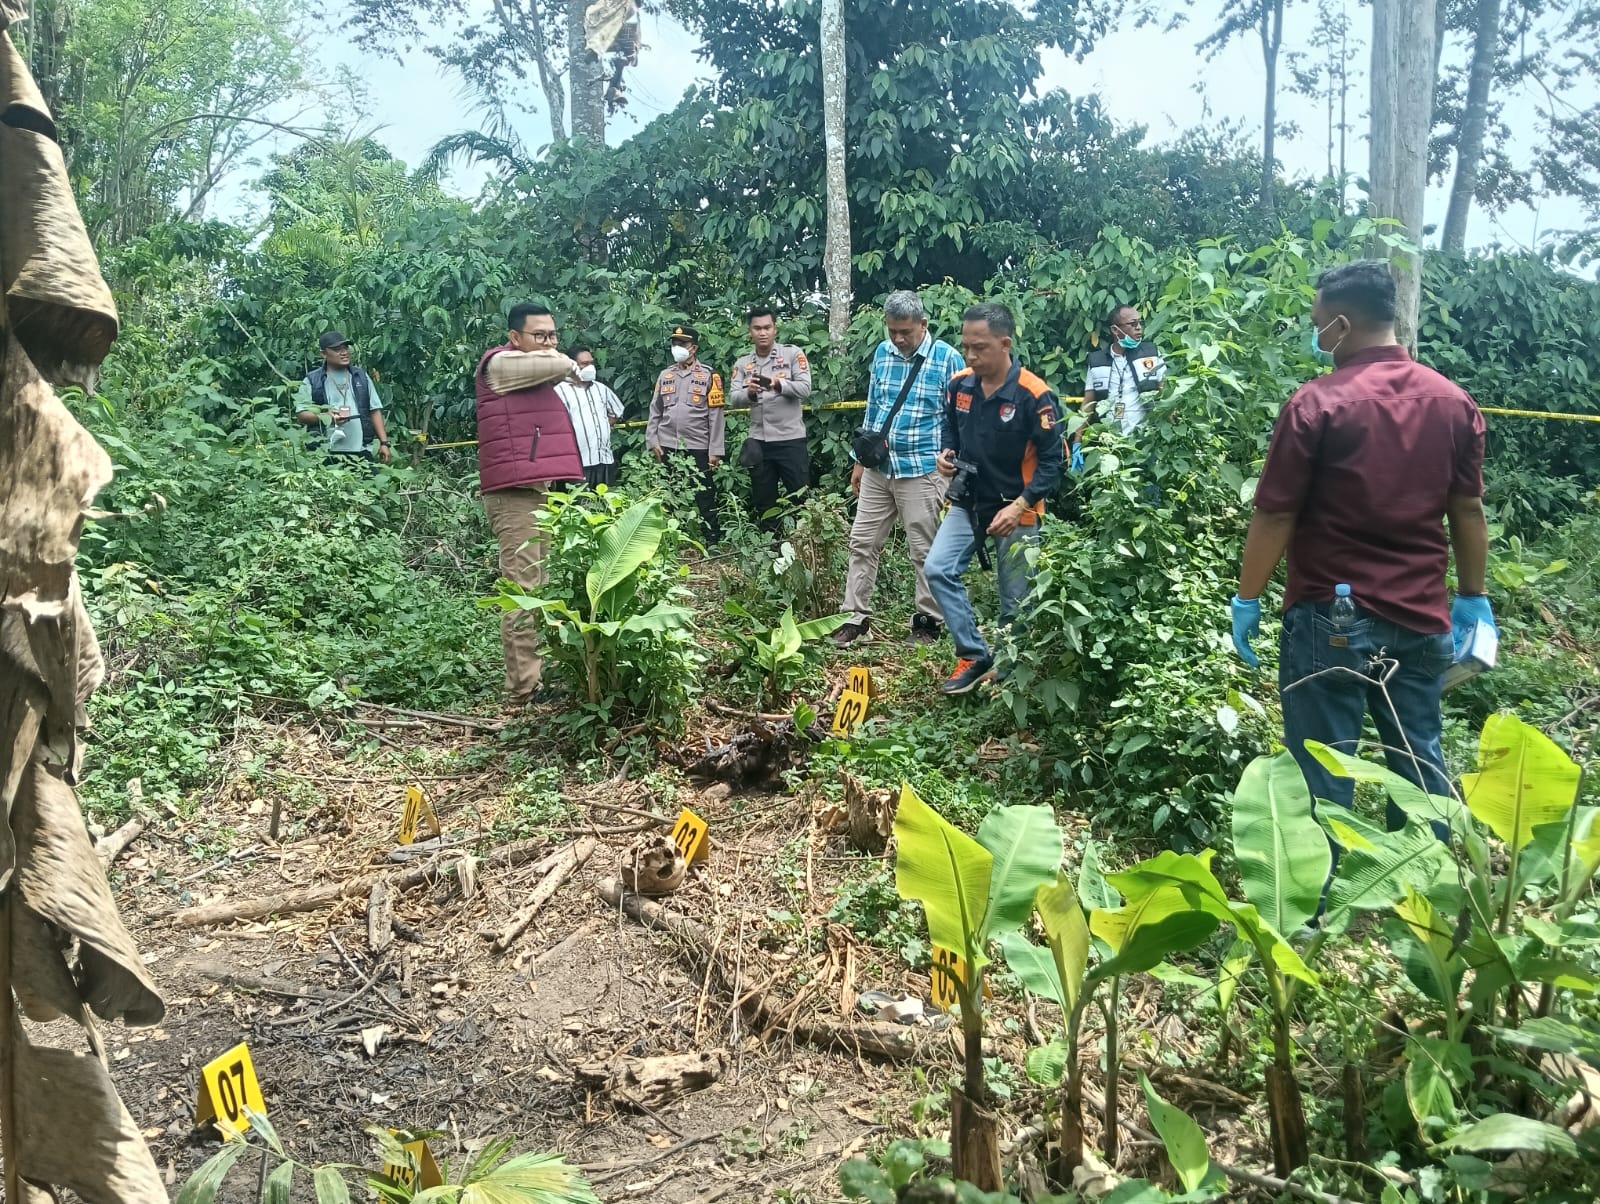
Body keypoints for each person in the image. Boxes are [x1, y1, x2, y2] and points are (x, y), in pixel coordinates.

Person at [1230, 260, 1494, 824]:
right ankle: (1422, 875)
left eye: (1318, 324)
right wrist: (1474, 596)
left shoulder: (1316, 405)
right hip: (1422, 617)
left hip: (1332, 617)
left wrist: (1248, 597)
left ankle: (1322, 884)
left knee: (1322, 772)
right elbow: (1468, 509)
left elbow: (1276, 514)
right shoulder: (1454, 403)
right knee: (1420, 766)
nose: (1316, 335)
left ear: (1342, 325)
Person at [924, 303, 1065, 695]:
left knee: (1015, 600)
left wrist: (1020, 505)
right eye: (966, 346)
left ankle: (1008, 678)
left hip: (1018, 508)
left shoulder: (1034, 395)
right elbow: (950, 428)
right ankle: (974, 654)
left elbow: (1055, 461)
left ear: (1005, 344)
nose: (970, 355)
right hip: (969, 501)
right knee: (937, 569)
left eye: (980, 347)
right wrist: (947, 454)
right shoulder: (959, 385)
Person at [834, 290, 967, 648]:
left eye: (905, 331)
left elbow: (961, 418)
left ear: (923, 324)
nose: (898, 338)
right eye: (892, 330)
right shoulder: (882, 353)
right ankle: (855, 618)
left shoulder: (947, 359)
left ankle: (928, 623)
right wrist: (860, 461)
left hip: (923, 470)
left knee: (924, 550)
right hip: (879, 469)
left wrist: (954, 464)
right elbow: (874, 409)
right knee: (862, 542)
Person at [477, 303, 585, 707]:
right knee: (522, 591)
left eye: (553, 335)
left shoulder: (532, 367)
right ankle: (524, 687)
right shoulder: (499, 365)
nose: (549, 343)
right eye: (539, 335)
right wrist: (564, 361)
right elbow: (559, 366)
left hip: (538, 491)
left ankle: (539, 677)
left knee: (541, 587)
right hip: (514, 495)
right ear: (514, 337)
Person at [732, 307, 812, 532]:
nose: (762, 332)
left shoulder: (792, 354)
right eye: (757, 328)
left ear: (775, 329)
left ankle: (806, 544)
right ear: (750, 331)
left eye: (767, 327)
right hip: (759, 441)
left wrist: (778, 384)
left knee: (801, 497)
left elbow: (805, 388)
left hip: (790, 439)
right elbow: (734, 398)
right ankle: (771, 546)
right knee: (765, 501)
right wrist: (749, 393)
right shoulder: (742, 364)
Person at [646, 325, 726, 542]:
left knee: (705, 494)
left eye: (682, 343)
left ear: (694, 348)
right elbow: (655, 410)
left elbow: (716, 416)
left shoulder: (709, 376)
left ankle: (712, 539)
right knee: (668, 493)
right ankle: (670, 540)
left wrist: (715, 450)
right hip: (667, 444)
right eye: (675, 343)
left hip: (698, 445)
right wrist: (652, 440)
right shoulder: (665, 375)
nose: (677, 347)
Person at [1073, 304, 1166, 469]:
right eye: (1132, 324)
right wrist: (1077, 443)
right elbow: (1088, 404)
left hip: (1146, 442)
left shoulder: (1151, 353)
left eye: (1140, 323)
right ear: (1115, 330)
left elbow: (1164, 394)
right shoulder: (1097, 361)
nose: (1139, 328)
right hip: (1111, 443)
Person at [295, 331, 393, 464]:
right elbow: (301, 415)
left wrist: (384, 443)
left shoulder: (360, 376)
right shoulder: (312, 380)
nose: (344, 352)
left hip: (361, 451)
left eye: (345, 348)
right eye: (337, 349)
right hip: (325, 453)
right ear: (323, 354)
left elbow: (374, 410)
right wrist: (327, 417)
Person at [555, 348, 625, 488]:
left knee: (605, 499)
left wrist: (602, 426)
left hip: (603, 459)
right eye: (584, 364)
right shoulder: (560, 391)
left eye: (592, 363)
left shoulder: (601, 389)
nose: (590, 367)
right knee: (580, 500)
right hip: (577, 463)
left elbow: (617, 412)